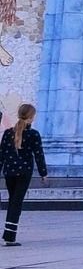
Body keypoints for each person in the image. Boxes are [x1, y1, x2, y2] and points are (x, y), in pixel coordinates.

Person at [1, 103, 48, 244]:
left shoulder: (8, 133)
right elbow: (39, 155)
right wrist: (43, 173)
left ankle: (8, 233)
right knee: (17, 202)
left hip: (9, 172)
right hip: (24, 172)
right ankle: (9, 236)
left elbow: (2, 154)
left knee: (12, 201)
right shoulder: (33, 134)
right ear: (32, 117)